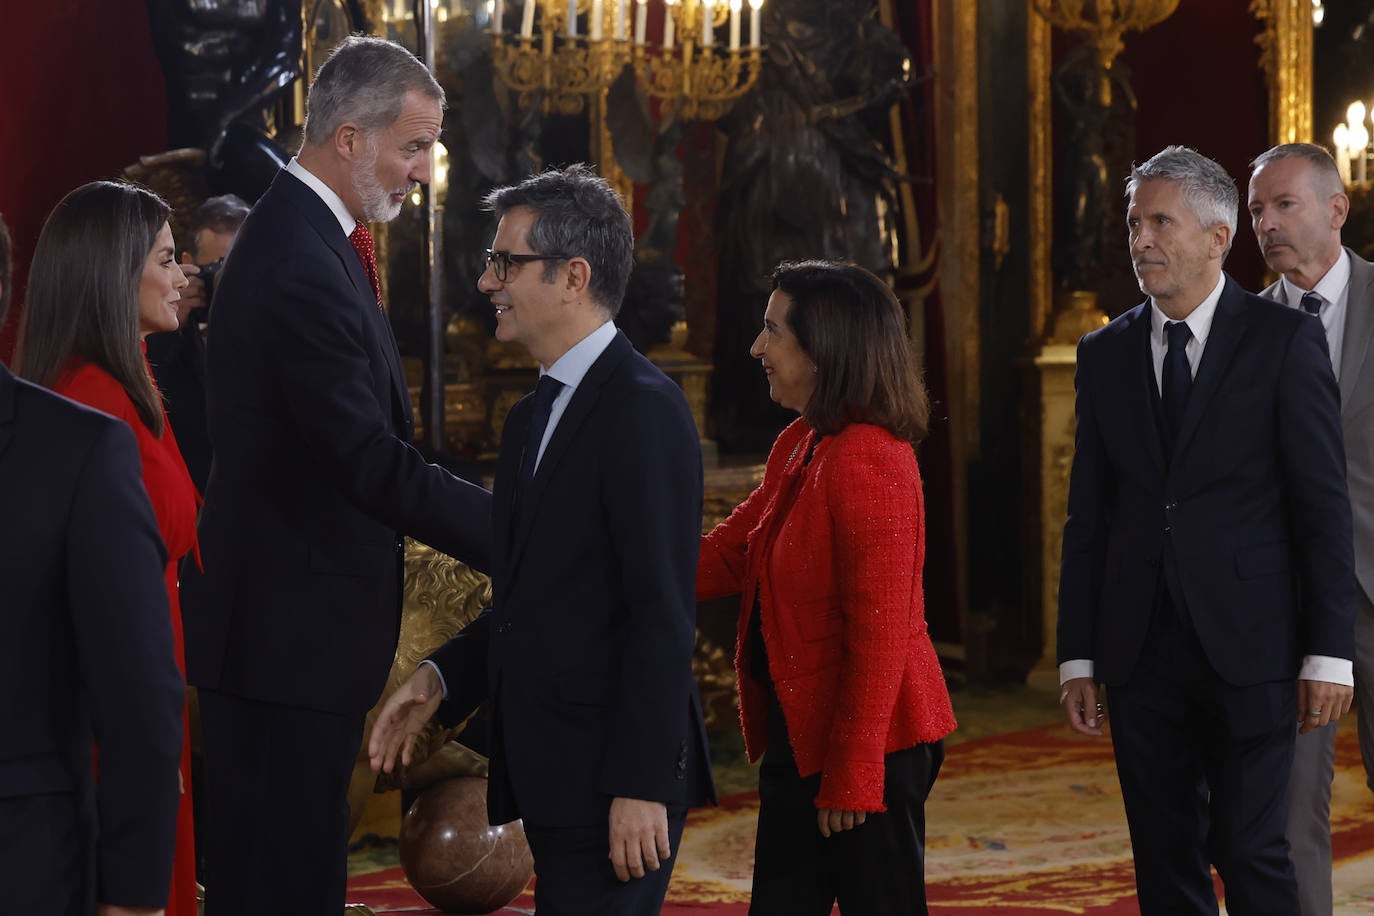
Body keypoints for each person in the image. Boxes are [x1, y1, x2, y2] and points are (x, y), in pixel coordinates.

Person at [178, 36, 492, 916]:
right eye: (412, 147)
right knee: (281, 885)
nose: (424, 173)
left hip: (294, 642)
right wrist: (517, 531)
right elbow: (366, 459)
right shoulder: (295, 258)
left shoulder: (315, 235)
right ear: (348, 138)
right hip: (284, 645)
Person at [369, 164, 715, 914]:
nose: (489, 282)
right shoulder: (531, 416)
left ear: (573, 276)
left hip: (616, 779)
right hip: (552, 772)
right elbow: (538, 597)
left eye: (506, 263)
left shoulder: (646, 412)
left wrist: (642, 783)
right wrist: (440, 678)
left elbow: (659, 614)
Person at [1057, 145, 1355, 913]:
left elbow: (1320, 508)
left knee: (1254, 850)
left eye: (1161, 222)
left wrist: (1330, 652)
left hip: (1255, 649)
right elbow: (1087, 517)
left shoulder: (1283, 342)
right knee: (1164, 858)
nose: (1141, 240)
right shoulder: (1103, 353)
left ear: (1219, 239)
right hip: (1138, 651)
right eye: (1133, 223)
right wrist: (1077, 655)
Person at [694, 259, 955, 914]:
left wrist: (855, 775)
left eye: (772, 331)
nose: (757, 348)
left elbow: (880, 640)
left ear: (825, 348)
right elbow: (728, 556)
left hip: (875, 743)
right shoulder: (802, 441)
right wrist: (616, 567)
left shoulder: (872, 458)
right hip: (802, 730)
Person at [19, 181, 203, 916]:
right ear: (112, 271)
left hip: (148, 695)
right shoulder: (90, 400)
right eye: (165, 257)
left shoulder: (131, 383)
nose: (182, 274)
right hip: (113, 717)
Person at [1247, 141, 1374, 916]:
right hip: (1286, 609)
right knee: (1288, 814)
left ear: (1336, 208)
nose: (1266, 224)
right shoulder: (1243, 330)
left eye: (1283, 205)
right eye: (1257, 209)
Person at [147, 193, 249, 493]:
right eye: (219, 266)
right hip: (192, 488)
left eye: (239, 263)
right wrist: (174, 323)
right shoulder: (161, 330)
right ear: (189, 265)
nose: (229, 279)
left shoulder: (279, 326)